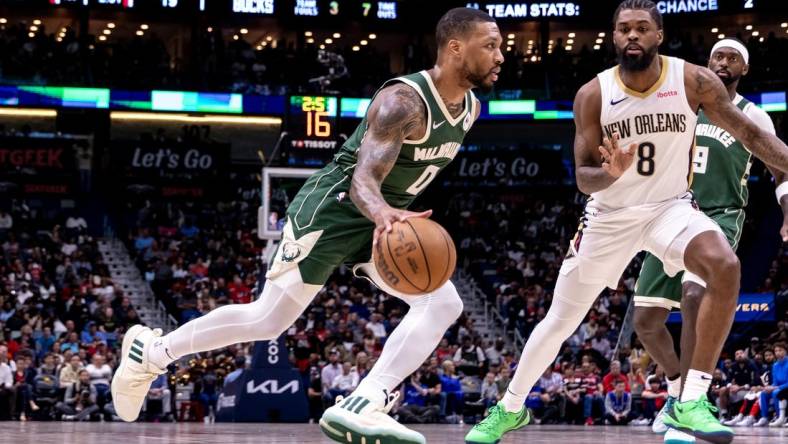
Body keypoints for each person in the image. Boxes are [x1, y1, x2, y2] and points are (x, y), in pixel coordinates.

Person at [111, 7, 502, 444]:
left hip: (386, 225)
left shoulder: (469, 109)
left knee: (444, 303)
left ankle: (365, 402)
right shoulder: (404, 101)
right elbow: (362, 180)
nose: (500, 56)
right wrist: (383, 214)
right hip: (335, 210)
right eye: (490, 45)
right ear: (454, 48)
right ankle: (154, 352)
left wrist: (389, 218)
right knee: (268, 320)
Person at [465, 1, 788, 443]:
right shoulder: (593, 94)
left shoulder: (693, 79)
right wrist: (611, 172)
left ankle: (690, 401)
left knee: (724, 266)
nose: (631, 36)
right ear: (614, 37)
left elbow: (753, 136)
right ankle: (510, 407)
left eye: (641, 28)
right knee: (560, 320)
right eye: (623, 29)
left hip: (669, 207)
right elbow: (583, 177)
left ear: (659, 35)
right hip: (609, 216)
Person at [630, 35, 787, 442]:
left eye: (733, 57)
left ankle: (690, 404)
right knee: (645, 322)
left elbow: (781, 170)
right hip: (668, 213)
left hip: (719, 215)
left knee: (696, 297)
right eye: (718, 55)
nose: (723, 62)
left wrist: (787, 214)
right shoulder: (685, 106)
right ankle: (676, 388)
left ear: (744, 68)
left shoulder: (755, 116)